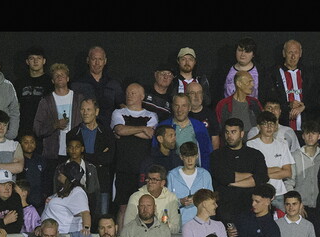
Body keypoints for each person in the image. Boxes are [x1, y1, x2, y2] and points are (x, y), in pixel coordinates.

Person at [33, 63, 84, 200]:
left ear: (68, 78)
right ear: (52, 81)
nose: (59, 77)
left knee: (76, 192)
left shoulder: (78, 99)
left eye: (62, 75)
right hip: (53, 155)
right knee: (53, 192)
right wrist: (55, 125)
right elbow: (38, 129)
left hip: (76, 154)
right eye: (56, 76)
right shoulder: (46, 101)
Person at [111, 82, 158, 219]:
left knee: (144, 207)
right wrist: (142, 128)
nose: (129, 96)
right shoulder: (118, 112)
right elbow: (119, 129)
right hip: (123, 168)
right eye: (127, 93)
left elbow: (149, 134)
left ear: (142, 96)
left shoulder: (151, 115)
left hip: (143, 168)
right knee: (123, 208)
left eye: (133, 93)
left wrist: (128, 130)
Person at [209, 117, 270, 219]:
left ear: (241, 134)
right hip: (225, 209)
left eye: (233, 132)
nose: (229, 136)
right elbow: (223, 177)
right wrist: (251, 176)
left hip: (250, 208)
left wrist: (232, 183)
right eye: (227, 132)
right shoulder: (217, 155)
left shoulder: (255, 155)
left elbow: (262, 177)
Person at [40, 161, 92, 237]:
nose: (59, 173)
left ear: (68, 176)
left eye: (62, 172)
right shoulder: (64, 190)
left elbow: (85, 213)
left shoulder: (77, 192)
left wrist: (86, 228)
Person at [261, 39, 320, 134]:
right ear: (284, 53)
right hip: (280, 129)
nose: (293, 57)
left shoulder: (309, 74)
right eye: (290, 53)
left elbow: (317, 100)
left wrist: (304, 107)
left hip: (306, 131)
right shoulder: (272, 74)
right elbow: (267, 99)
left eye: (296, 53)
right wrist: (288, 105)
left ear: (300, 54)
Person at [246, 110, 294, 205]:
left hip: (279, 193)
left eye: (272, 124)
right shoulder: (251, 145)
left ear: (276, 127)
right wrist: (277, 169)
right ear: (259, 127)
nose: (269, 127)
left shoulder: (282, 145)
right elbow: (250, 172)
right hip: (258, 194)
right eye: (265, 124)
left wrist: (262, 175)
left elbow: (287, 172)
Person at [70, 46, 123, 128]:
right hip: (84, 130)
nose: (97, 63)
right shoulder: (77, 84)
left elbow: (122, 106)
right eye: (94, 59)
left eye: (100, 59)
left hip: (108, 131)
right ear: (88, 60)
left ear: (105, 61)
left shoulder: (113, 84)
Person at [166, 141, 214, 226]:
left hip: (202, 225)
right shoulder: (172, 176)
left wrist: (197, 200)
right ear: (181, 157)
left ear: (197, 156)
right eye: (186, 157)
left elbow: (211, 201)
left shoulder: (205, 175)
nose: (190, 160)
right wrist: (180, 202)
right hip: (179, 226)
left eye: (192, 156)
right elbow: (166, 202)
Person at [290, 120, 320, 211]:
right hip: (301, 207)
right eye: (307, 133)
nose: (310, 136)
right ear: (303, 136)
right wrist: (295, 204)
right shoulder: (294, 156)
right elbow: (289, 183)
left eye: (313, 133)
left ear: (319, 136)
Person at [15, 47, 52, 147]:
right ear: (27, 61)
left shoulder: (51, 82)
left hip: (44, 129)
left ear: (44, 61)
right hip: (23, 128)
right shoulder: (19, 82)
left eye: (39, 58)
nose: (35, 61)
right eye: (32, 58)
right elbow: (15, 106)